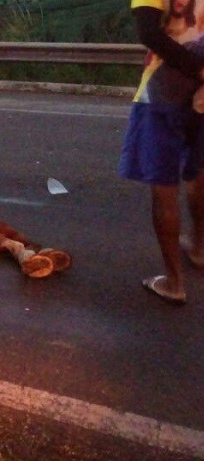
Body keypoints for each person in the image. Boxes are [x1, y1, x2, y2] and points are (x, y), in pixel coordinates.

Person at [118, 0, 204, 304]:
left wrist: (199, 68)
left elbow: (149, 34)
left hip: (161, 96)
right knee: (197, 170)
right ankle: (199, 248)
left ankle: (173, 282)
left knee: (164, 186)